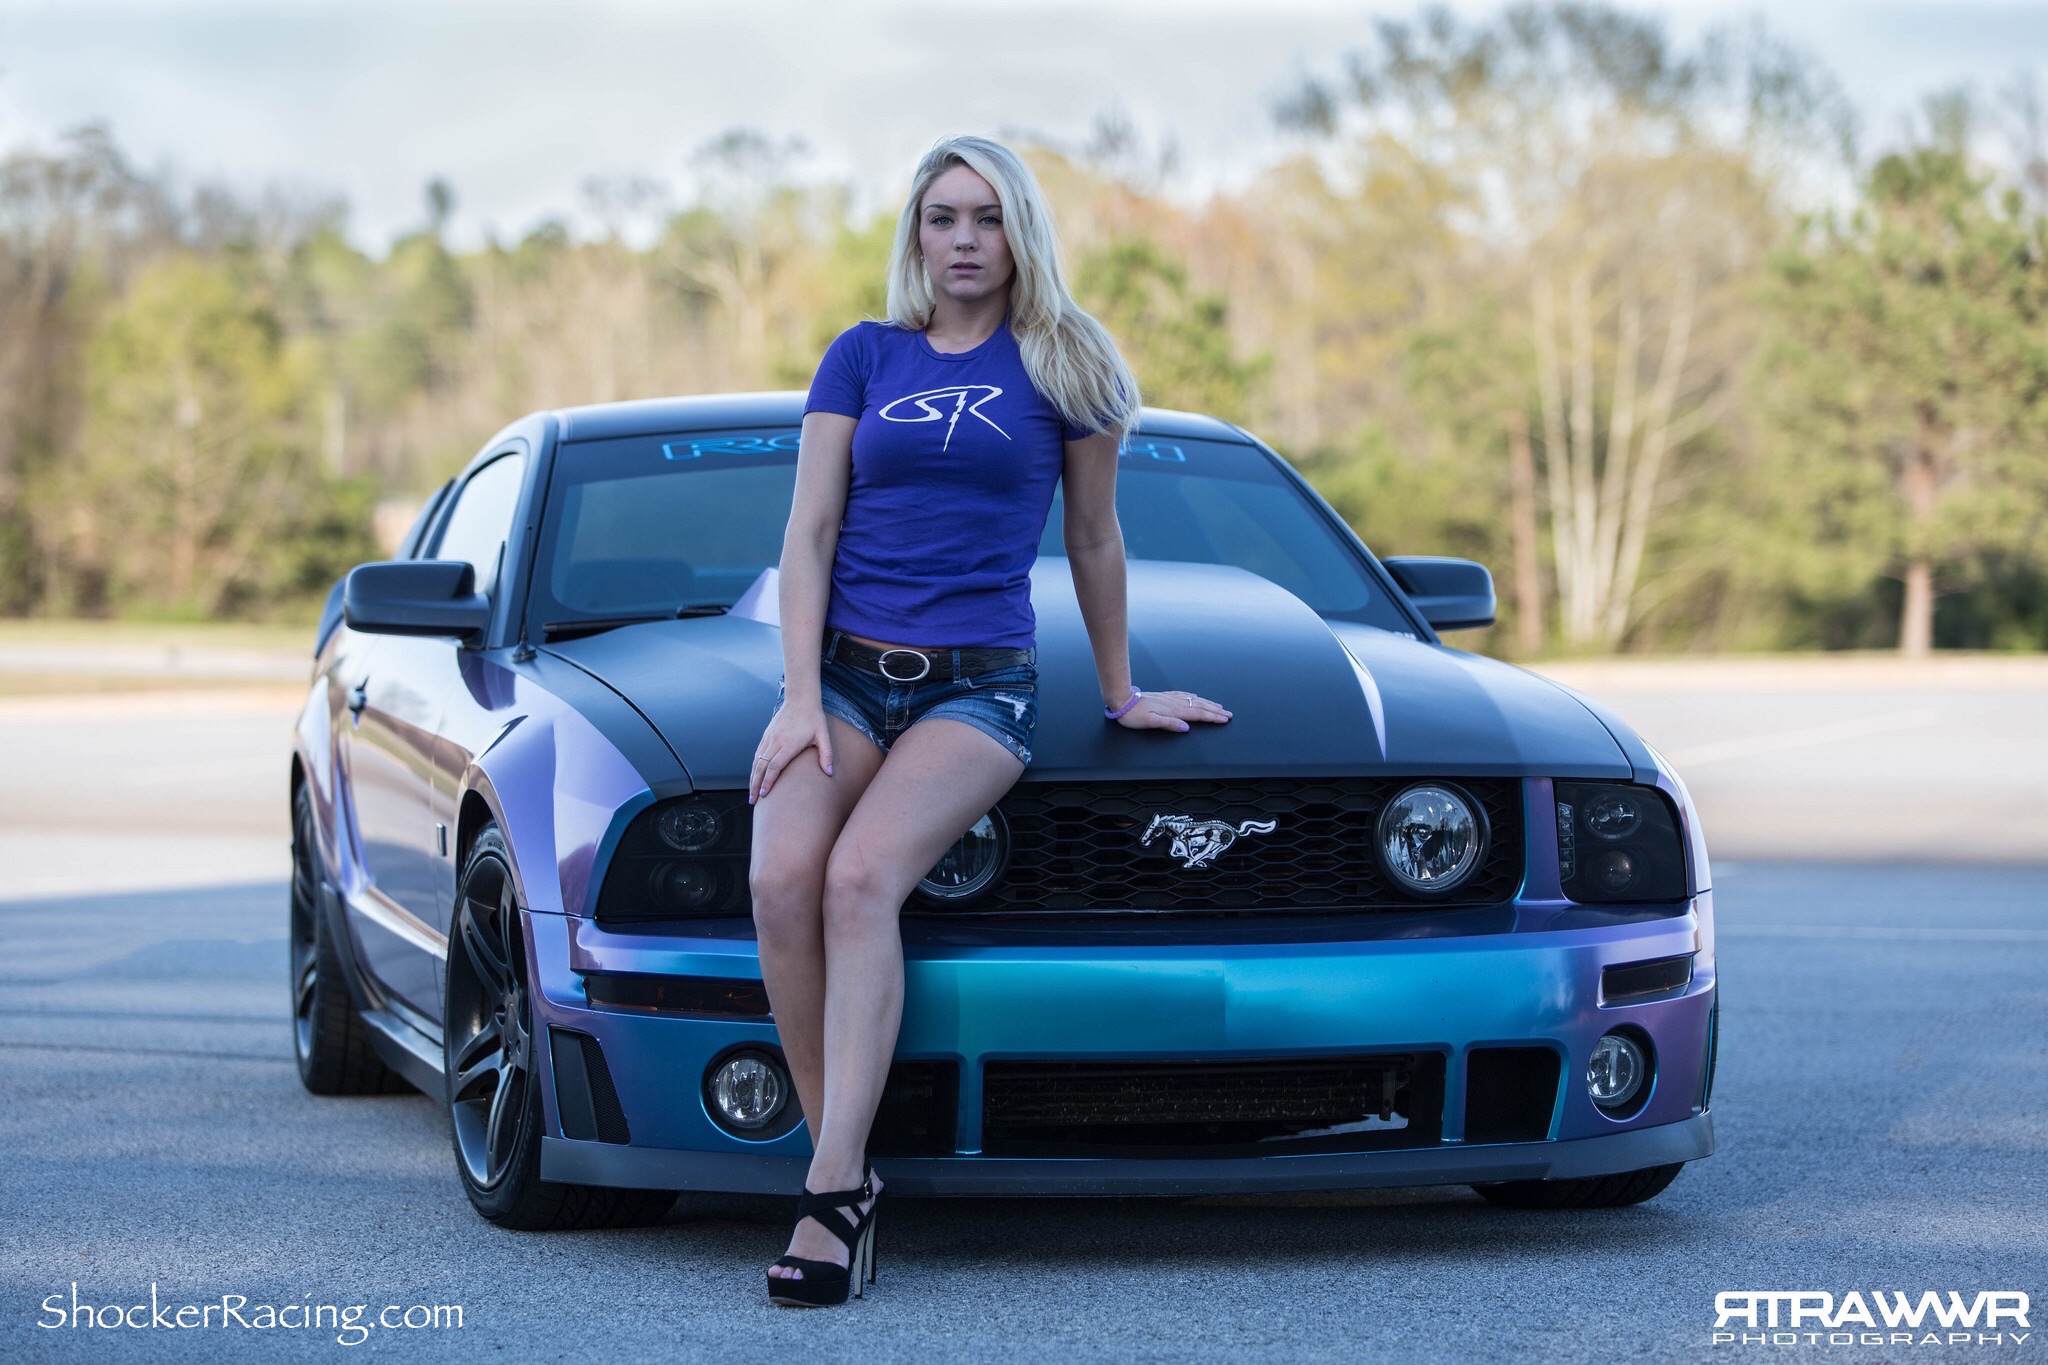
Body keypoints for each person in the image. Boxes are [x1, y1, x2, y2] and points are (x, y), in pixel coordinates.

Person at [747, 133, 1231, 1307]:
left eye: (987, 218)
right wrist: (799, 695)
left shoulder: (1071, 364)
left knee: (862, 880)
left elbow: (1093, 538)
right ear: (914, 235)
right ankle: (847, 1169)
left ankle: (823, 1196)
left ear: (1022, 233)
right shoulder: (861, 357)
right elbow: (809, 533)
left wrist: (1120, 692)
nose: (963, 240)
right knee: (778, 877)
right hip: (849, 677)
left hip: (979, 686)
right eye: (941, 218)